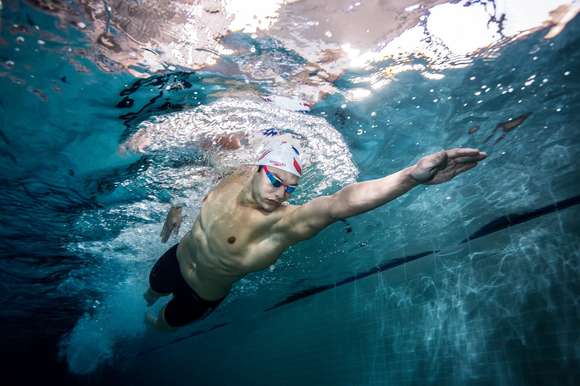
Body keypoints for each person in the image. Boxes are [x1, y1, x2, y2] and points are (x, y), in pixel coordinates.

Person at [144, 130, 487, 330]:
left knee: (158, 325)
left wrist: (408, 177)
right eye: (276, 181)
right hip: (175, 258)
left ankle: (141, 326)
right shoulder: (232, 174)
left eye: (290, 189)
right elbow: (203, 161)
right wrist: (177, 206)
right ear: (255, 168)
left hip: (200, 294)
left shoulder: (282, 222)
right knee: (150, 291)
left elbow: (340, 203)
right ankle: (142, 303)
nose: (281, 194)